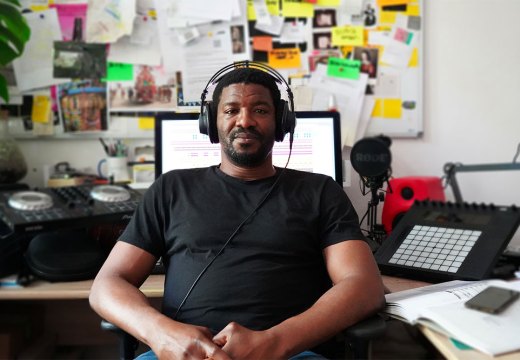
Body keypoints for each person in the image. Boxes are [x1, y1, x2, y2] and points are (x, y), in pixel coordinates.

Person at [89, 66, 385, 360]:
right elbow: (107, 284)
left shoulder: (320, 191)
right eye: (231, 110)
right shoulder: (171, 189)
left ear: (282, 121)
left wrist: (274, 343)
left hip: (289, 353)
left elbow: (364, 285)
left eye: (260, 110)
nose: (245, 121)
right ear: (210, 122)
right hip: (183, 354)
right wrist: (160, 332)